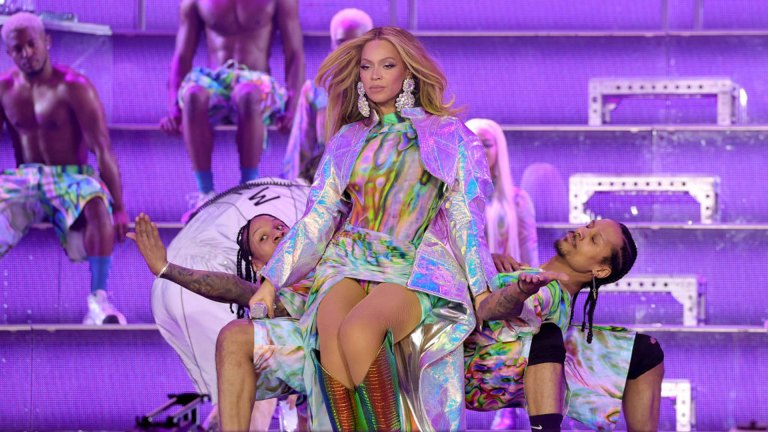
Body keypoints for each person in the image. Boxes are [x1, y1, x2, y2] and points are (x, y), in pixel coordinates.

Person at [242, 26, 508, 431]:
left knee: (359, 332)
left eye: (387, 65)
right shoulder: (348, 139)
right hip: (347, 263)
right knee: (328, 348)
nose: (375, 75)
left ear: (409, 73)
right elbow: (319, 217)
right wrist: (271, 281)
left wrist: (482, 286)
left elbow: (464, 217)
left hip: (412, 267)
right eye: (367, 67)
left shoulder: (447, 135)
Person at [128, 178, 310, 430]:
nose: (277, 233)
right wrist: (166, 269)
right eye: (264, 237)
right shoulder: (273, 294)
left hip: (348, 344)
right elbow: (236, 288)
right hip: (314, 353)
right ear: (257, 266)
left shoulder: (322, 252)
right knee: (237, 338)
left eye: (280, 226)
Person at [468, 220, 664, 431]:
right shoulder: (526, 274)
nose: (581, 232)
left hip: (483, 373)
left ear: (600, 270)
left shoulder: (547, 292)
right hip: (461, 358)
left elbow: (490, 310)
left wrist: (519, 291)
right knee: (551, 336)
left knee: (644, 352)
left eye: (594, 239)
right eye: (589, 226)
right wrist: (486, 262)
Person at [0, 12, 129, 325]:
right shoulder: (5, 90)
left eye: (32, 44)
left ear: (47, 42)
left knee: (98, 203)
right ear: (9, 53)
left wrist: (120, 209)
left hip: (71, 176)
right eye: (18, 49)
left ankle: (99, 301)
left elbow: (102, 149)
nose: (26, 53)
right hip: (27, 177)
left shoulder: (75, 87)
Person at [160, 0, 305, 220]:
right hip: (216, 79)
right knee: (193, 95)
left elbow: (294, 53)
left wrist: (293, 107)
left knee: (247, 93)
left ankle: (248, 190)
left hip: (256, 81)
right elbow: (181, 56)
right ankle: (205, 194)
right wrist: (174, 109)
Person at [282, 8, 373, 181]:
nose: (348, 49)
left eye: (356, 42)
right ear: (332, 45)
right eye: (341, 42)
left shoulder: (387, 87)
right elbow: (300, 152)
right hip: (327, 185)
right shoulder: (315, 90)